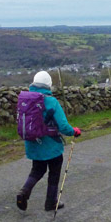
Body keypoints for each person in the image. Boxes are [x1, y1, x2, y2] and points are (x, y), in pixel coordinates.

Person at [16, 71, 81, 212]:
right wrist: (74, 131)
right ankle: (50, 202)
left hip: (33, 142)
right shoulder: (51, 101)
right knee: (54, 172)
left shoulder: (26, 100)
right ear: (48, 85)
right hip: (51, 145)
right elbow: (63, 125)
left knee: (37, 170)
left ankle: (24, 192)